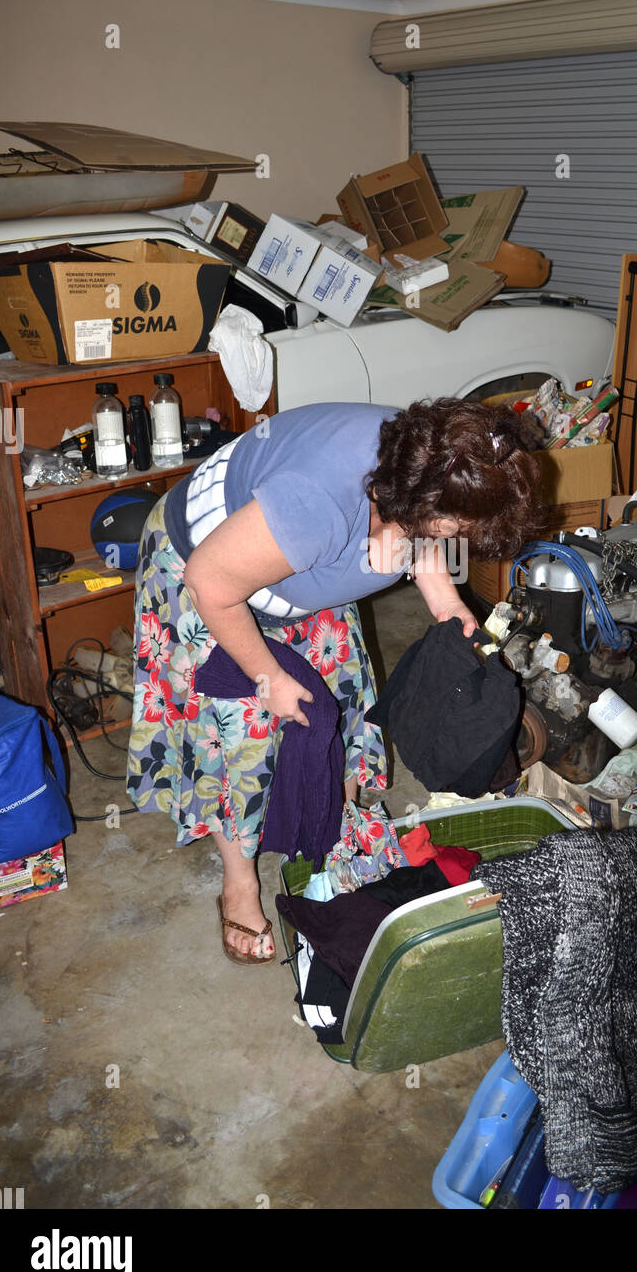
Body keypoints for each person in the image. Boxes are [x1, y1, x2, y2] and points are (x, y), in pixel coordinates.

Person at [126, 397, 545, 965]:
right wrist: (268, 676)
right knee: (244, 726)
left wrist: (447, 604)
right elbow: (211, 582)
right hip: (204, 577)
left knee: (342, 701)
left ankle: (335, 829)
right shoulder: (317, 500)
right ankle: (239, 880)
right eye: (458, 532)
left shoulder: (433, 465)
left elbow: (423, 534)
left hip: (298, 565)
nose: (456, 542)